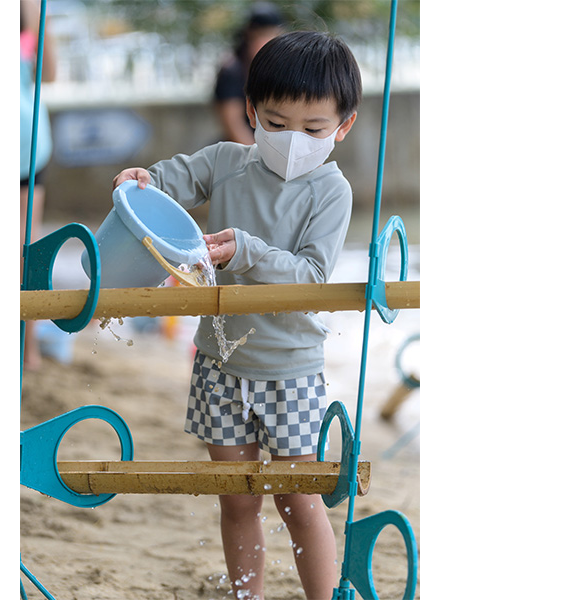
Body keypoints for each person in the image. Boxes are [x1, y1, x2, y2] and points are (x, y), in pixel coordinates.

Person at [113, 30, 362, 600]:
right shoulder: (227, 162)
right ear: (251, 112)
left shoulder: (331, 191)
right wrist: (141, 179)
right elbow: (172, 177)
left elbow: (312, 277)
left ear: (342, 126)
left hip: (291, 369)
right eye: (275, 123)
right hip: (219, 362)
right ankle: (246, 595)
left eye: (313, 129)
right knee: (237, 496)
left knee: (298, 498)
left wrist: (246, 250)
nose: (292, 139)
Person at [20, 0, 56, 370]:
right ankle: (27, 352)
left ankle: (28, 350)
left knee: (25, 250)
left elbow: (47, 71)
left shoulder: (29, 8)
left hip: (25, 145)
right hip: (26, 140)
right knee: (23, 249)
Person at [213, 2, 284, 144]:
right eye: (261, 35)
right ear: (249, 35)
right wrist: (257, 158)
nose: (265, 42)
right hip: (242, 152)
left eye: (272, 35)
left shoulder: (279, 67)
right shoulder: (233, 70)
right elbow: (233, 123)